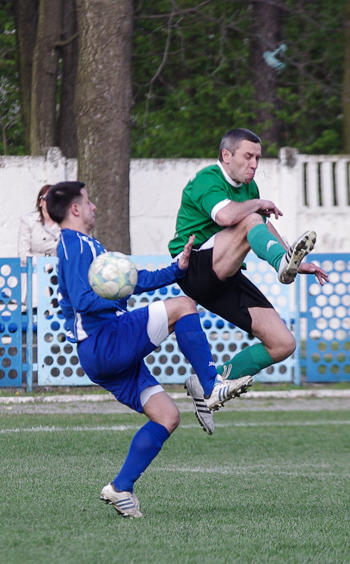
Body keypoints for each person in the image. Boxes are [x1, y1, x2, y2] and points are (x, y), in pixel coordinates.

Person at [46, 181, 252, 518]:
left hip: (102, 354)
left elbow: (131, 281)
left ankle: (121, 487)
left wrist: (175, 269)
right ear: (75, 209)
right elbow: (83, 300)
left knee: (167, 416)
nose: (94, 206)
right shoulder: (72, 243)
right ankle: (210, 384)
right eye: (89, 200)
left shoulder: (87, 244)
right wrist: (118, 296)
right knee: (184, 306)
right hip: (105, 339)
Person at [168, 127, 329, 386]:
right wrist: (259, 204)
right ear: (226, 155)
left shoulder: (249, 188)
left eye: (257, 158)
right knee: (250, 217)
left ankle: (209, 383)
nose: (254, 164)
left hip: (223, 275)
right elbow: (227, 216)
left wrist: (295, 263)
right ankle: (280, 264)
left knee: (283, 343)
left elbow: (262, 225)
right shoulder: (207, 179)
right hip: (193, 268)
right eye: (248, 156)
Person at [17, 184, 61, 264]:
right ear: (40, 201)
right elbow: (23, 254)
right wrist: (44, 264)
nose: (50, 202)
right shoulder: (29, 221)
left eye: (53, 199)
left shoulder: (64, 222)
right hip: (33, 267)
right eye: (46, 198)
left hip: (57, 266)